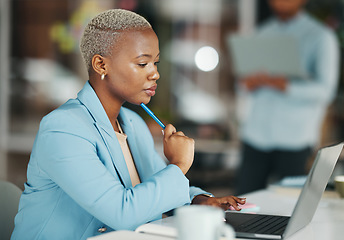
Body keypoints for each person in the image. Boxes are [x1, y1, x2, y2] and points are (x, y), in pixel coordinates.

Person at [11, 9, 245, 240]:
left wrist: (199, 200)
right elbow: (121, 213)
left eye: (156, 63)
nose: (155, 74)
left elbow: (154, 187)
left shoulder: (133, 123)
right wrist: (179, 164)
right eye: (143, 64)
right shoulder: (63, 129)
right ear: (101, 65)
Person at [235, 0, 339, 195]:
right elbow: (241, 86)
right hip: (256, 136)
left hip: (295, 140)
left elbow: (326, 91)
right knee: (244, 204)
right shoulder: (262, 33)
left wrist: (285, 85)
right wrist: (247, 83)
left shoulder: (321, 37)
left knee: (290, 206)